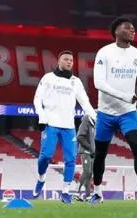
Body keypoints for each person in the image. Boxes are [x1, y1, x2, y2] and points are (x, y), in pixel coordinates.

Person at [90, 17, 137, 205]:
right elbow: (98, 83)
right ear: (116, 31)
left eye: (133, 29)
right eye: (128, 28)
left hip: (128, 113)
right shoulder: (104, 52)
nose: (132, 31)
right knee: (100, 154)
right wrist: (124, 96)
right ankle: (97, 192)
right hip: (105, 113)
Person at [32, 50, 97, 203]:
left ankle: (66, 192)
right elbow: (37, 99)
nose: (69, 62)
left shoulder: (76, 82)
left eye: (71, 60)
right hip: (50, 124)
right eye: (66, 59)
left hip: (68, 126)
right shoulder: (48, 78)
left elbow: (85, 102)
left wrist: (94, 117)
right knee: (45, 156)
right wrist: (42, 116)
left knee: (71, 159)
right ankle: (41, 178)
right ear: (59, 61)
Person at [76, 113, 96, 199]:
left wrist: (93, 150)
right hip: (85, 151)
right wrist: (90, 147)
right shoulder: (86, 122)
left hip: (91, 153)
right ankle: (76, 191)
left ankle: (88, 195)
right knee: (87, 171)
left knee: (90, 173)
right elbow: (80, 137)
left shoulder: (93, 125)